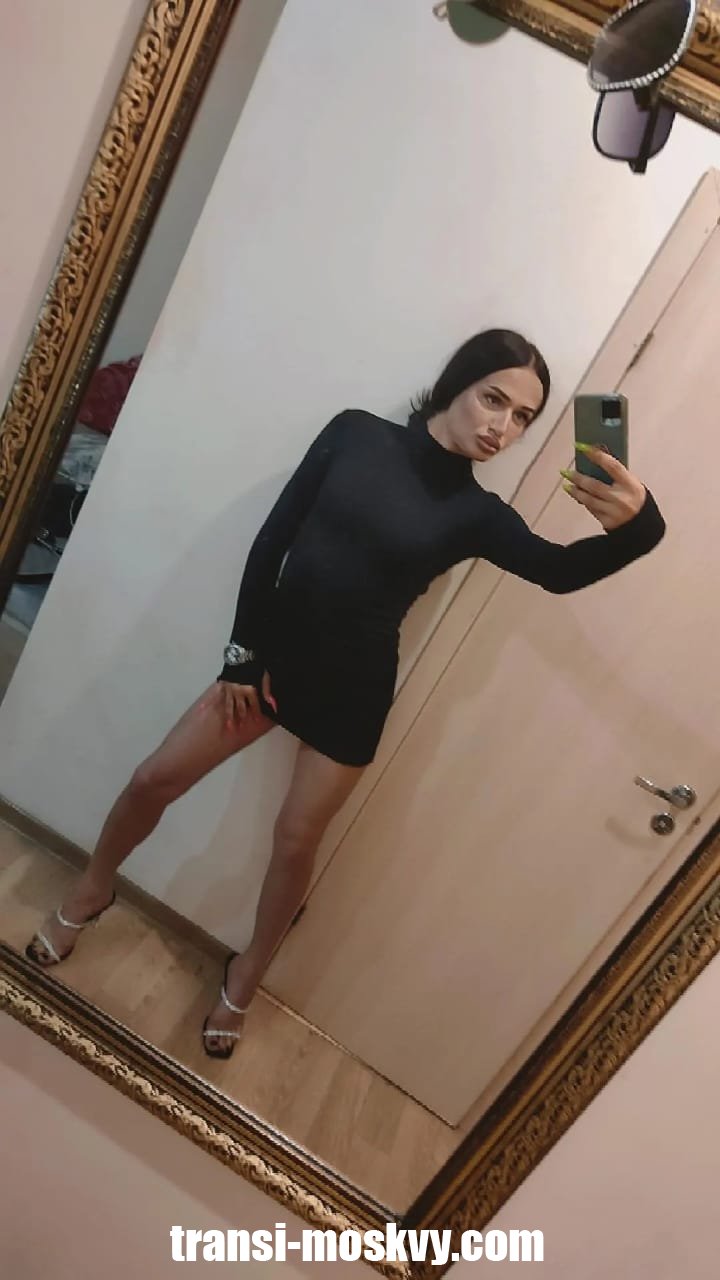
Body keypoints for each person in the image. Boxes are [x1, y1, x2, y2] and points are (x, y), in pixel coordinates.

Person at [25, 329, 666, 1059]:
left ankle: (248, 970)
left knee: (295, 843)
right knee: (153, 779)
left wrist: (641, 527)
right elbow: (272, 542)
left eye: (523, 418)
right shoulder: (356, 435)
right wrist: (241, 656)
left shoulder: (478, 514)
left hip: (353, 692)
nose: (503, 427)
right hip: (269, 665)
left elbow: (559, 571)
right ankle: (93, 889)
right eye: (494, 400)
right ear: (457, 383)